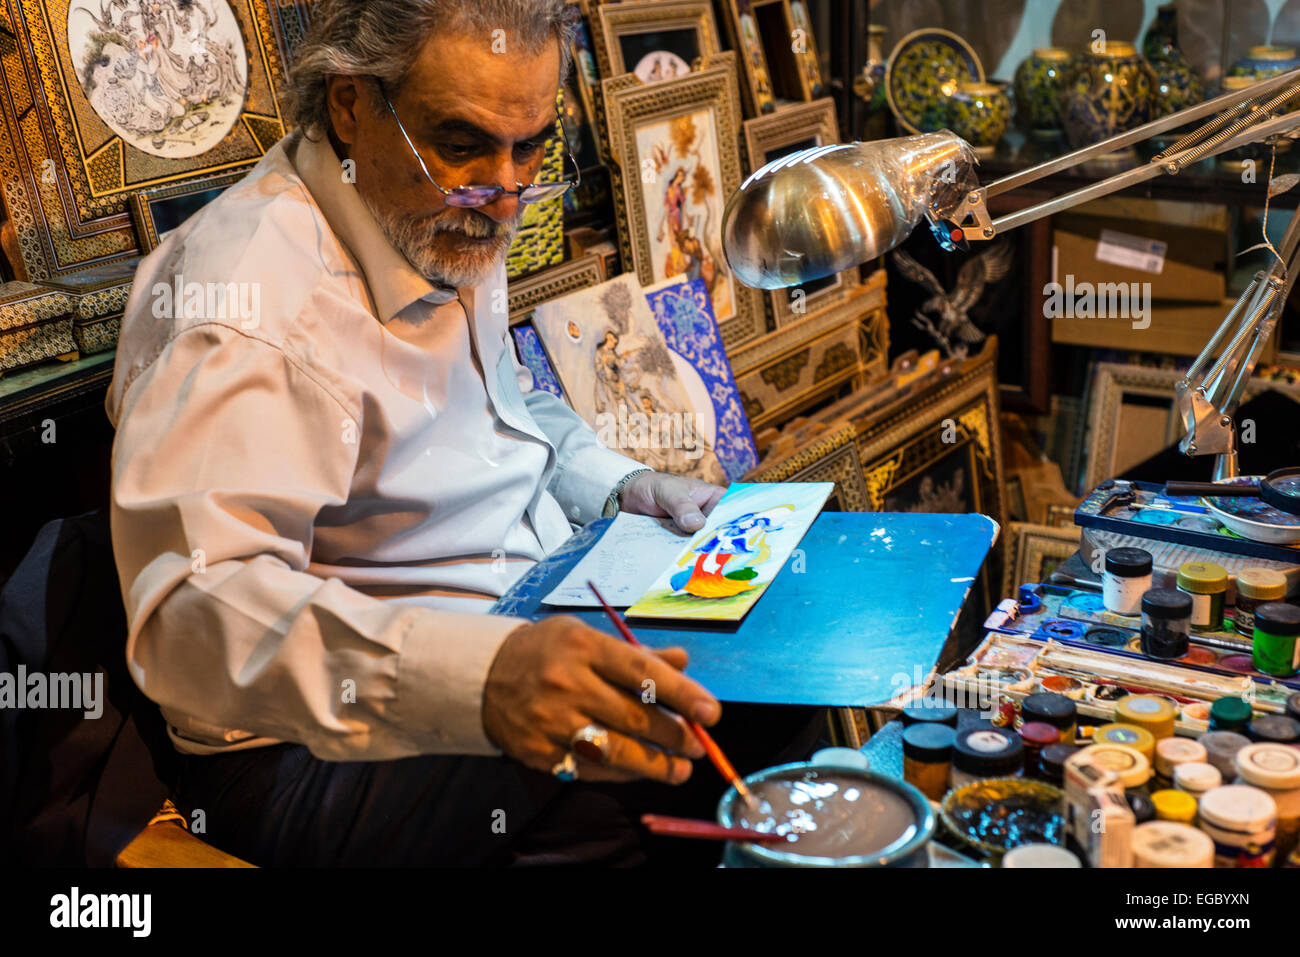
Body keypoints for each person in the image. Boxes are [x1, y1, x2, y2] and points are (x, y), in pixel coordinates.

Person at [105, 0, 819, 866]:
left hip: (523, 609)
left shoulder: (440, 204)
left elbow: (501, 404)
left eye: (531, 149)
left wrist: (623, 484)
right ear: (349, 105)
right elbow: (192, 615)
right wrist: (480, 680)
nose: (505, 194)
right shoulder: (245, 307)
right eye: (463, 145)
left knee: (774, 675)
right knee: (633, 785)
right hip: (306, 740)